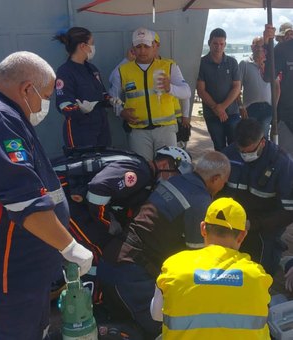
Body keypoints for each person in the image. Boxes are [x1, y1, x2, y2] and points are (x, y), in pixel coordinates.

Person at [0, 51, 93, 339]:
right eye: (46, 95)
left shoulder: (12, 115)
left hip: (27, 277)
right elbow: (22, 199)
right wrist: (69, 246)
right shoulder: (0, 118)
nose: (46, 104)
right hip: (10, 280)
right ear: (27, 89)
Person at [97, 151, 230, 339]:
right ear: (215, 178)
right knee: (163, 331)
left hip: (113, 261)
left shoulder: (176, 181)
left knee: (126, 324)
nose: (223, 186)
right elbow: (198, 258)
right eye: (224, 182)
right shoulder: (200, 201)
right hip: (130, 275)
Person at [152, 197, 272, 340]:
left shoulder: (173, 267)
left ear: (203, 228)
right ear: (242, 235)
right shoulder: (258, 276)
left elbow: (156, 315)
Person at [220, 118, 293, 275]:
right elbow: (218, 189)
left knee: (262, 270)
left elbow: (288, 212)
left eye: (250, 151)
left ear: (262, 142)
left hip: (266, 225)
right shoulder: (229, 154)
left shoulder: (282, 163)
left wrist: (254, 224)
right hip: (234, 220)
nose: (245, 155)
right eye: (242, 151)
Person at [109, 27, 191, 161]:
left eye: (146, 46)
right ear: (133, 48)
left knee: (167, 168)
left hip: (166, 130)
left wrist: (169, 88)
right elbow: (113, 97)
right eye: (138, 46)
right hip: (138, 131)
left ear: (154, 47)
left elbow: (186, 92)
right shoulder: (123, 70)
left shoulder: (169, 66)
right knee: (144, 169)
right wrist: (121, 111)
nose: (142, 51)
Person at [85, 146, 192, 248]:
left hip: (88, 207)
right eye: (175, 176)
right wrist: (108, 223)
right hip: (76, 204)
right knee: (96, 252)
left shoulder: (145, 173)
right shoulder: (141, 173)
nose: (173, 181)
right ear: (164, 165)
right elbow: (98, 188)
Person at [54, 27, 111, 149]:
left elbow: (102, 93)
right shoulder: (65, 72)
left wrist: (111, 100)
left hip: (101, 128)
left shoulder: (92, 69)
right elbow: (63, 105)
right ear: (83, 46)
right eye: (92, 44)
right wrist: (80, 109)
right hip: (80, 132)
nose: (93, 48)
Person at [197, 28, 241, 151]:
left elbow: (237, 87)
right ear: (209, 43)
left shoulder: (232, 62)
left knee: (235, 147)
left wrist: (222, 107)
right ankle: (223, 170)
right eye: (215, 43)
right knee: (219, 147)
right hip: (212, 114)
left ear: (225, 44)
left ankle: (235, 170)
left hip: (232, 113)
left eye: (221, 44)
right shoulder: (202, 63)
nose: (218, 47)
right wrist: (216, 108)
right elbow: (201, 90)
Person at [239, 36, 280, 138]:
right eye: (256, 46)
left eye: (261, 46)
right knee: (250, 137)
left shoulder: (270, 64)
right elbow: (236, 87)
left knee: (264, 137)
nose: (259, 49)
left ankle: (262, 154)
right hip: (250, 108)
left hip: (267, 107)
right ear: (252, 47)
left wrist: (274, 106)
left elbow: (277, 88)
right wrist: (240, 106)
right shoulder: (244, 64)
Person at [264, 24, 293, 158]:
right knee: (285, 160)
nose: (288, 37)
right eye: (285, 35)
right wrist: (266, 44)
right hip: (285, 118)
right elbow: (268, 77)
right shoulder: (281, 50)